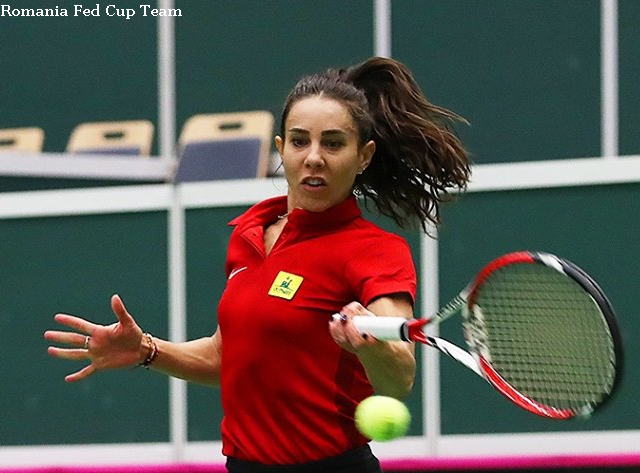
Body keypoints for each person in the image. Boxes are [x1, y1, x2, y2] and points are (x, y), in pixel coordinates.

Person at [44, 56, 470, 472]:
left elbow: (400, 378)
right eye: (300, 141)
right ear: (281, 150)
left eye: (334, 143)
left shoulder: (376, 250)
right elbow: (226, 354)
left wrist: (370, 346)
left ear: (364, 155)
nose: (314, 157)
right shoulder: (248, 235)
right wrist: (147, 351)